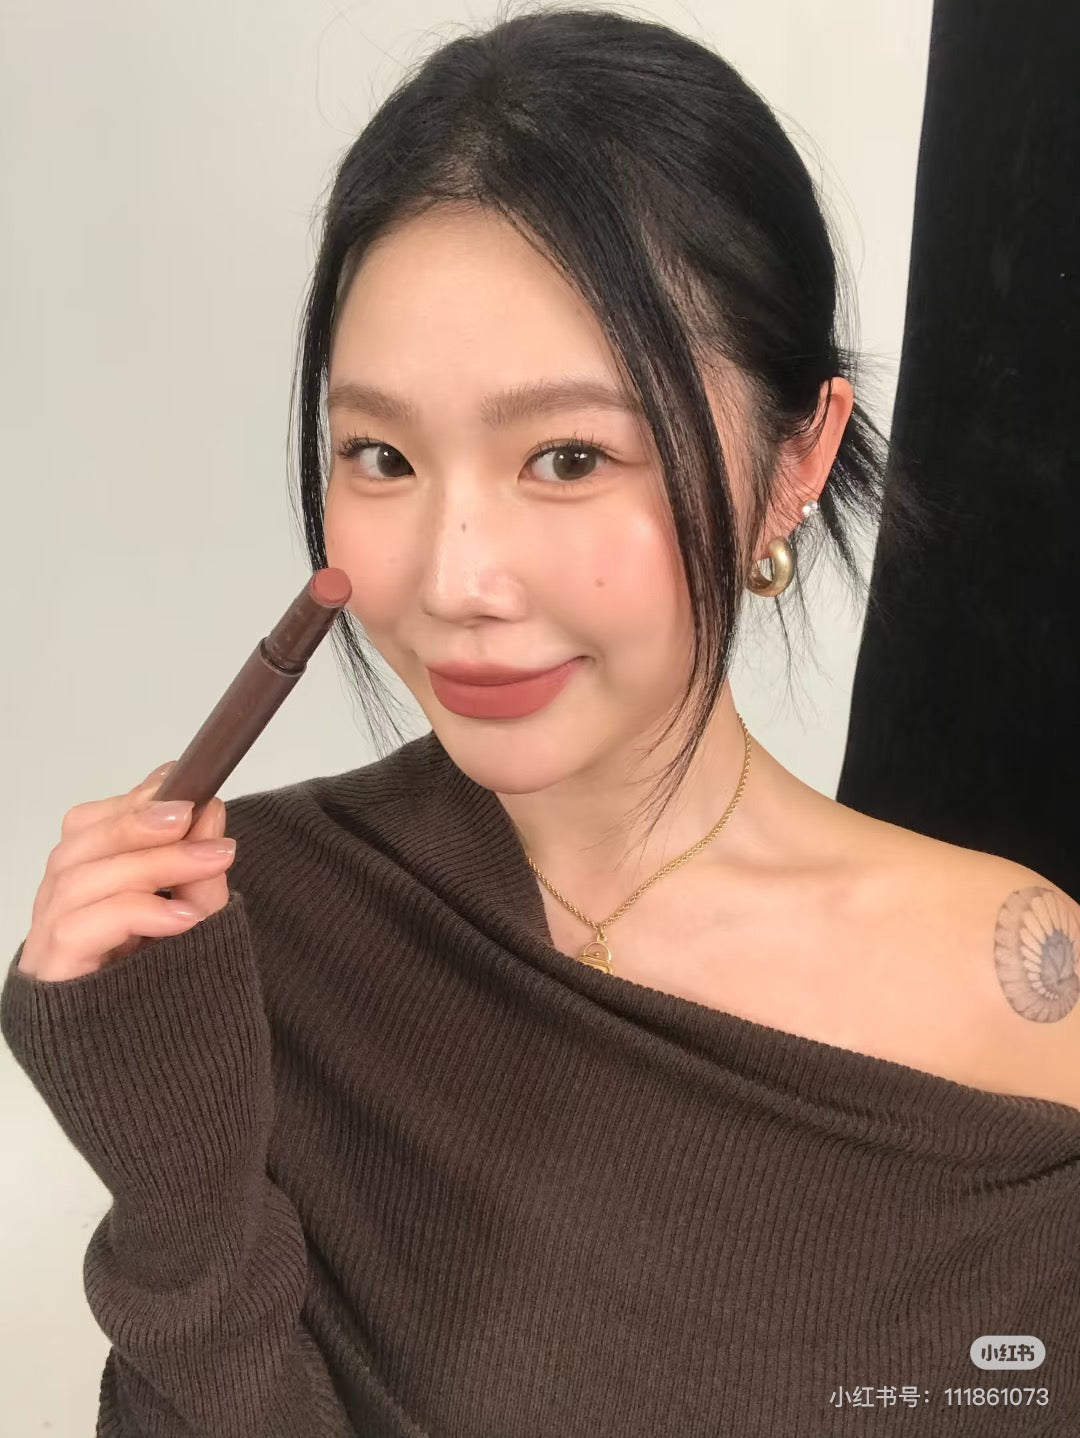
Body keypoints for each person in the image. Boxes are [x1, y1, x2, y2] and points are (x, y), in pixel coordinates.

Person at [4, 6, 1080, 1436]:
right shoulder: (236, 933)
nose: (455, 580)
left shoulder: (1026, 1001)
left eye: (568, 457)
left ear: (797, 454)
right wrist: (180, 1203)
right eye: (380, 454)